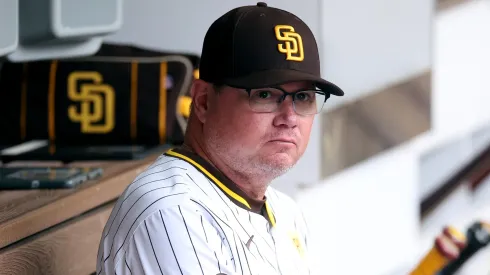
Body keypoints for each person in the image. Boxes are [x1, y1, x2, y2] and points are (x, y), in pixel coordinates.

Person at [96, 2, 344, 275]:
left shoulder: (285, 211)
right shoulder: (174, 214)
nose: (289, 117)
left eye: (303, 97)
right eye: (265, 95)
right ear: (202, 102)